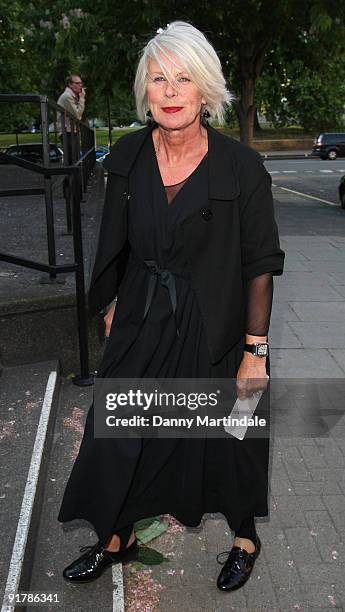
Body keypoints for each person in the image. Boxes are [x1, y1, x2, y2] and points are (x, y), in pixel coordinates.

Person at [57, 21, 285, 593]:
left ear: (205, 89)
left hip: (216, 324)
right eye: (159, 78)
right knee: (117, 429)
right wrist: (111, 302)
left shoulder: (241, 168)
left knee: (227, 440)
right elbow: (116, 238)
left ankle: (244, 536)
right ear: (146, 90)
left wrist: (255, 352)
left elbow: (260, 263)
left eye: (184, 77)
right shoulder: (129, 156)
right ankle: (116, 536)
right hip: (142, 319)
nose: (171, 89)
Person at [57, 75, 85, 181]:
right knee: (73, 162)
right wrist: (82, 98)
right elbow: (78, 116)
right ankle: (70, 190)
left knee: (74, 162)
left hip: (70, 132)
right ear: (70, 84)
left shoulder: (71, 96)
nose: (80, 86)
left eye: (81, 83)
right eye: (77, 83)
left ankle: (72, 190)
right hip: (68, 133)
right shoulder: (67, 96)